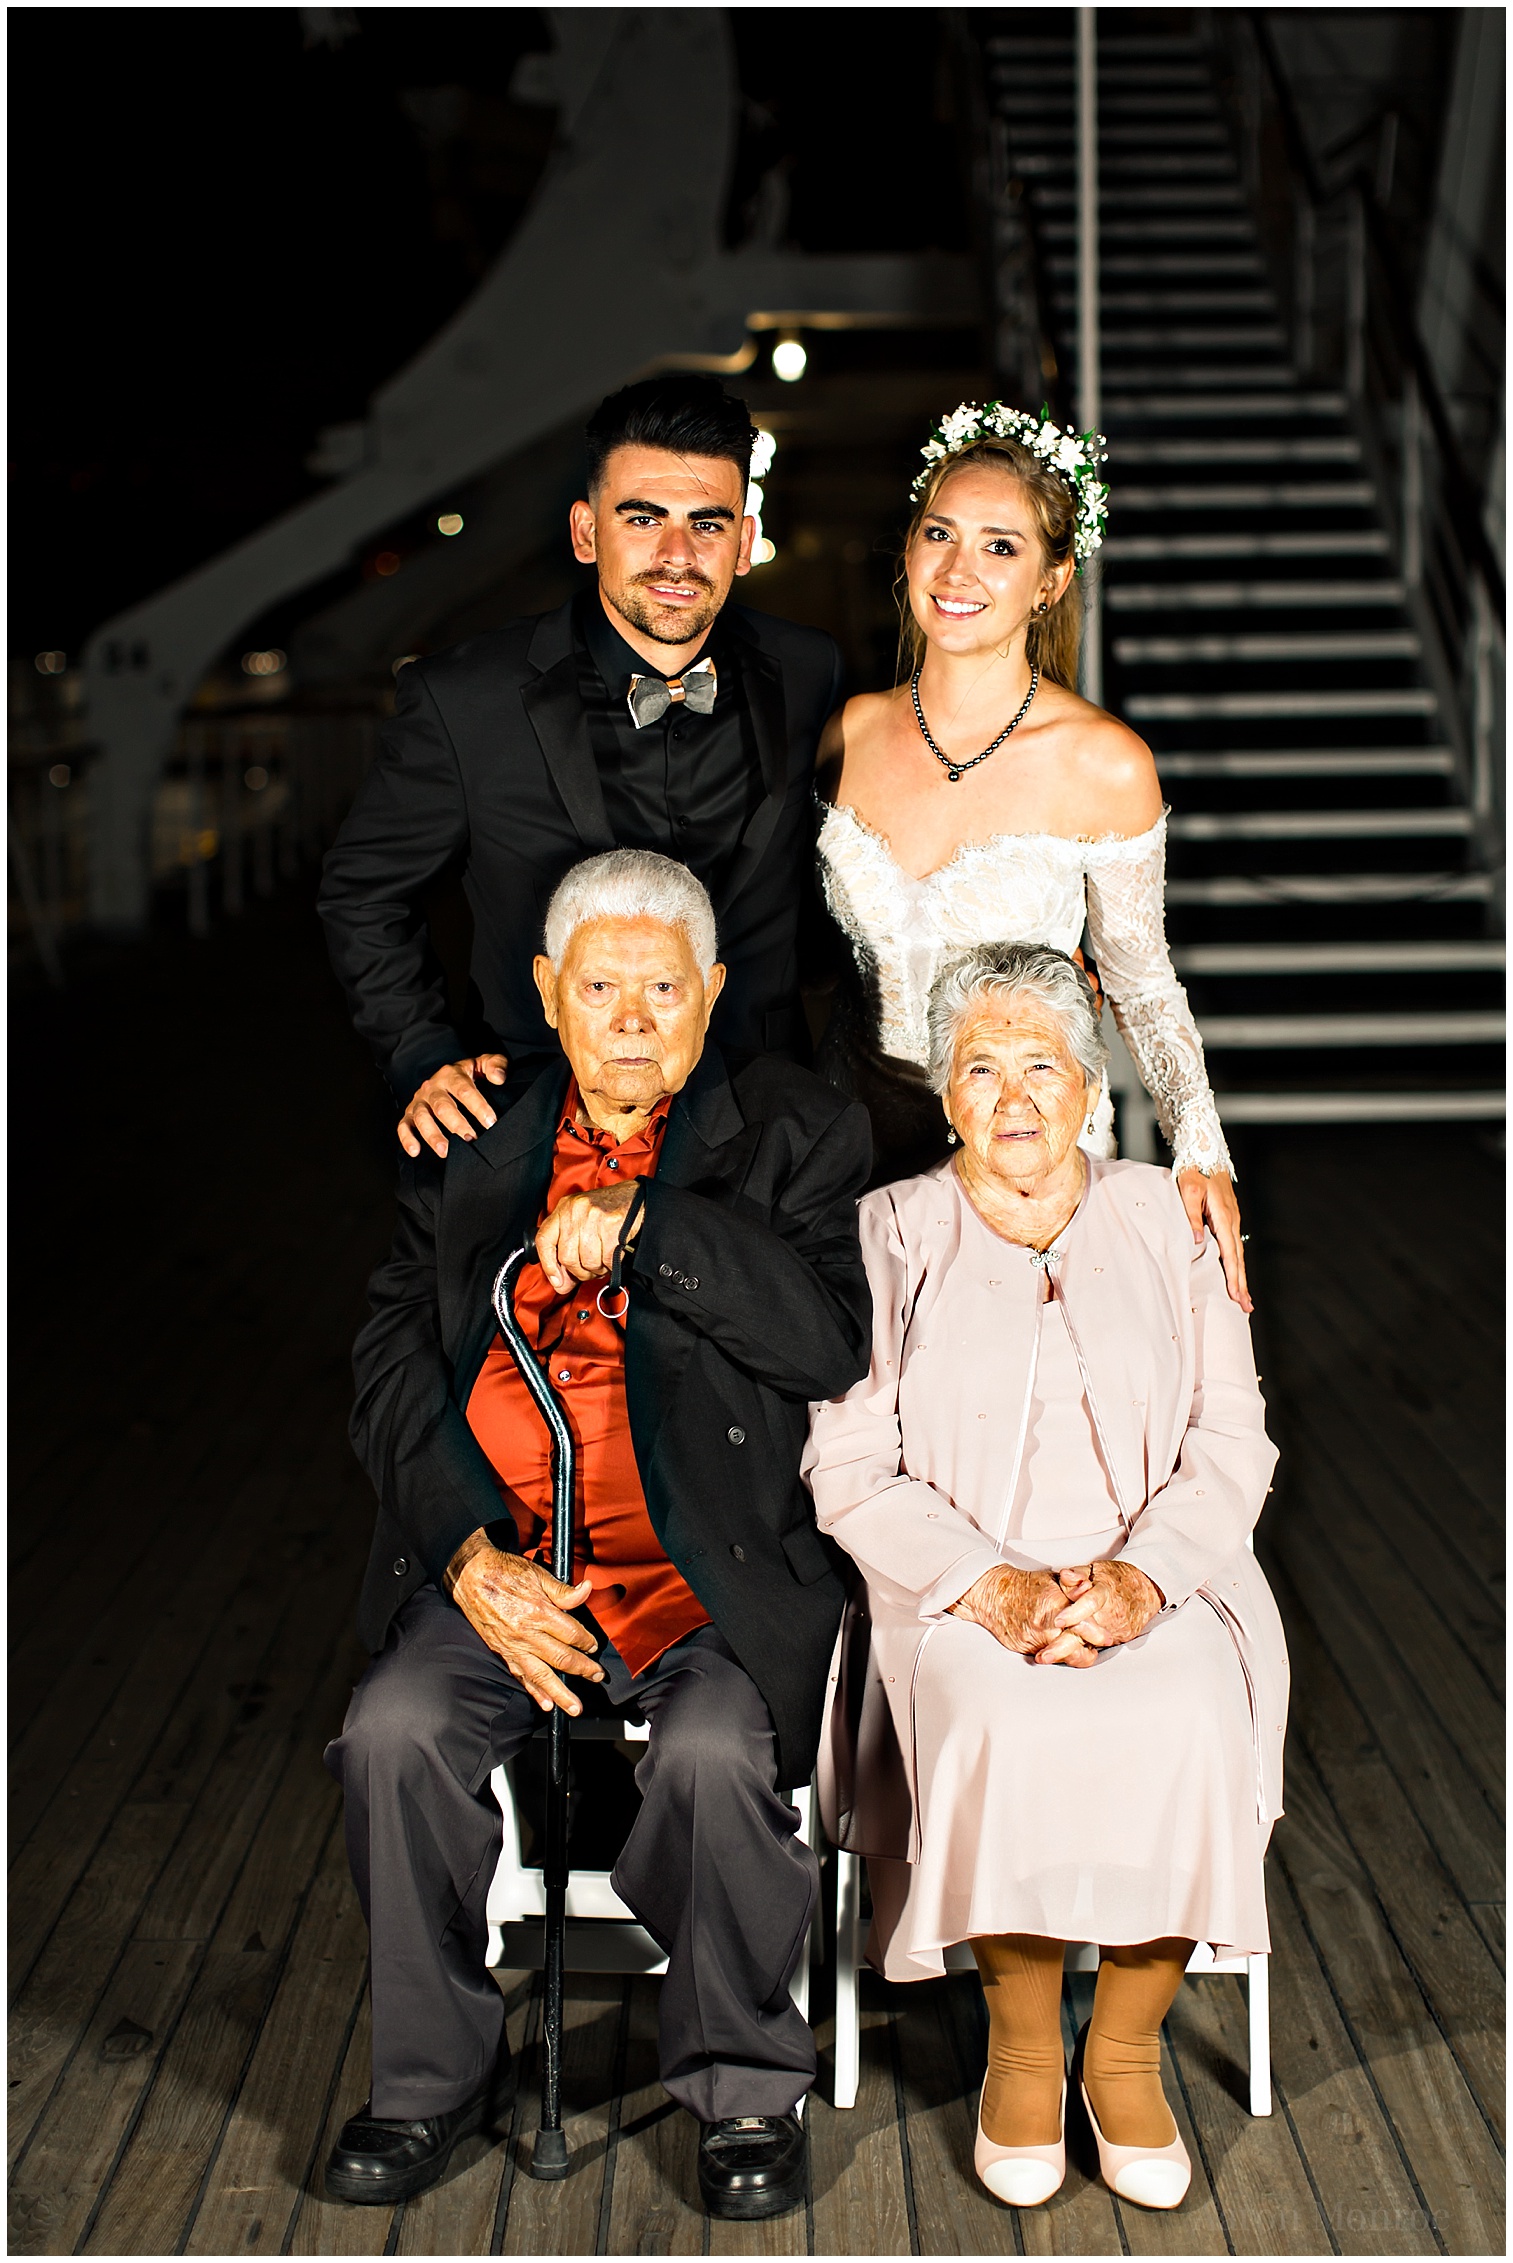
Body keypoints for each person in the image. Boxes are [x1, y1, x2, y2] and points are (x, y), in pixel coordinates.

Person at [326, 850, 870, 2220]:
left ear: (712, 997)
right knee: (391, 1733)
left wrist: (648, 1226)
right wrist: (463, 1555)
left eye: (663, 988)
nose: (632, 1016)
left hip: (703, 1576)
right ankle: (432, 2076)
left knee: (704, 1756)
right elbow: (390, 1367)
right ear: (548, 996)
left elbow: (824, 1339)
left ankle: (743, 2077)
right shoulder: (473, 1136)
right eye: (602, 985)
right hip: (509, 1565)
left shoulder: (794, 1126)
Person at [804, 942, 1286, 2214]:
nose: (1013, 1097)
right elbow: (848, 1464)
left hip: (1165, 1577)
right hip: (959, 1587)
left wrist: (1142, 1580)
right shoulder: (884, 1235)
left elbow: (1231, 1444)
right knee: (999, 1720)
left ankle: (1123, 2054)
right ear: (944, 1092)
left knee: (1184, 1711)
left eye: (1042, 1066)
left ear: (1090, 1084)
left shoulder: (1167, 1215)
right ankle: (1022, 2051)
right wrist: (990, 1586)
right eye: (980, 1069)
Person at [318, 373, 842, 1163]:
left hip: (764, 1130)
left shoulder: (809, 670)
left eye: (707, 524)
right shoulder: (464, 700)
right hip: (538, 1134)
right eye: (643, 518)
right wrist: (418, 1052)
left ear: (742, 540)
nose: (677, 554)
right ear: (586, 531)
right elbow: (362, 890)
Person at [814, 401, 1249, 1309]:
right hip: (856, 1135)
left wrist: (1200, 1148)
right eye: (938, 532)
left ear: (1050, 582)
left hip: (1026, 1144)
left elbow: (1139, 982)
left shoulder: (1103, 762)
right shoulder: (844, 733)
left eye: (1000, 546)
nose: (957, 568)